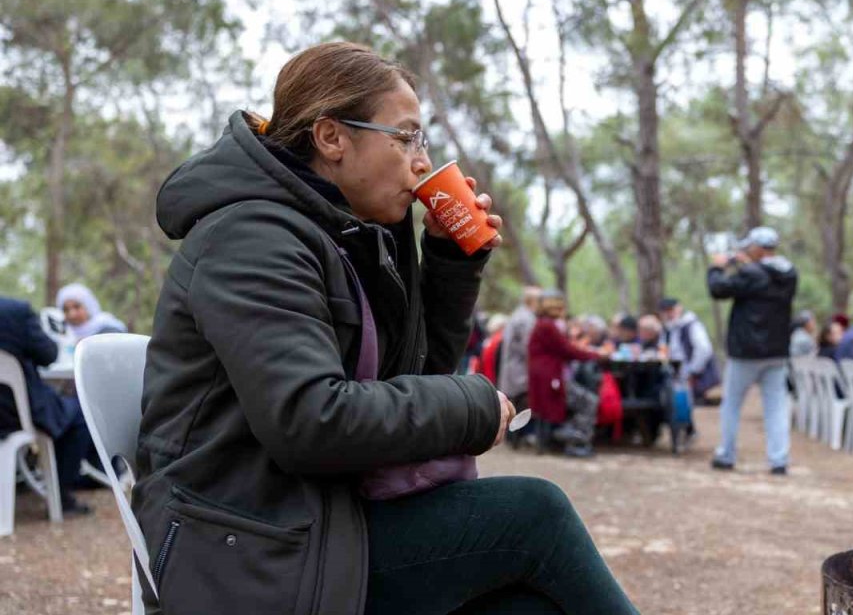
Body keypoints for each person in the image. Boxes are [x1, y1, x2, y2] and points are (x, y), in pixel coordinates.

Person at [133, 43, 636, 615]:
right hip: (245, 545)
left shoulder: (339, 232)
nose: (421, 161)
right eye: (406, 137)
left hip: (319, 517)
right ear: (332, 138)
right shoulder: (251, 238)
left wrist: (449, 265)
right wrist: (471, 406)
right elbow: (310, 421)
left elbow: (411, 378)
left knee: (530, 606)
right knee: (535, 513)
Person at [707, 226, 798, 475]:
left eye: (749, 247)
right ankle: (779, 460)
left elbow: (718, 289)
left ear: (758, 248)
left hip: (745, 352)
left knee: (732, 404)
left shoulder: (750, 273)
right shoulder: (789, 274)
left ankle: (726, 454)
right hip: (777, 352)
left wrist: (717, 267)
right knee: (776, 407)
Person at [0, 296, 95, 516]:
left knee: (58, 411)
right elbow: (48, 354)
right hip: (14, 414)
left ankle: (24, 478)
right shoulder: (15, 310)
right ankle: (60, 496)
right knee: (78, 414)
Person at [527, 291, 609, 458]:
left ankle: (568, 436)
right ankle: (575, 440)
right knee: (589, 401)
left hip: (545, 376)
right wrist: (597, 355)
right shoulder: (547, 326)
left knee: (581, 400)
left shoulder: (543, 324)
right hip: (551, 378)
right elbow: (566, 350)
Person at [659, 297, 718, 404]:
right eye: (665, 311)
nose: (669, 314)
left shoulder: (691, 325)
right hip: (674, 376)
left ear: (679, 309)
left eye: (671, 310)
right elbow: (663, 351)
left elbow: (704, 349)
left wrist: (693, 371)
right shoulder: (666, 330)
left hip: (693, 375)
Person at [499, 285, 541, 412]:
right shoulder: (526, 319)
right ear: (533, 301)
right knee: (518, 414)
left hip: (514, 372)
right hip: (519, 374)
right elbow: (528, 347)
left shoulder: (519, 315)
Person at [55, 283, 127, 344]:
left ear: (88, 306)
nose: (72, 314)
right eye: (66, 310)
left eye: (77, 307)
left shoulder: (108, 329)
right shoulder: (59, 334)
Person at [478, 313, 507, 385]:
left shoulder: (489, 340)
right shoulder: (501, 339)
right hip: (496, 381)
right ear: (501, 326)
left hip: (485, 380)